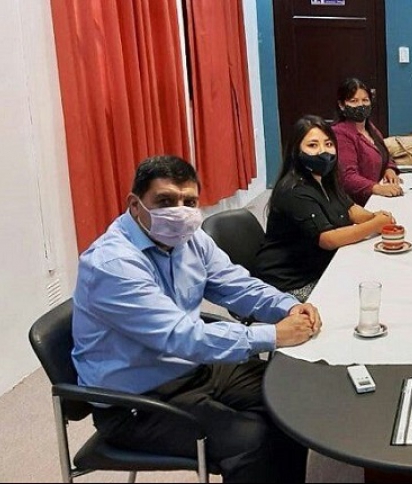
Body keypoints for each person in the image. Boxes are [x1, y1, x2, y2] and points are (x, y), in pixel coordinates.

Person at [72, 155, 321, 483]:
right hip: (137, 402)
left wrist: (287, 307)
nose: (179, 211)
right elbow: (180, 336)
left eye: (188, 202)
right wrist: (273, 335)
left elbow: (236, 285)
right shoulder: (113, 265)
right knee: (253, 441)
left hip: (192, 368)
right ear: (135, 204)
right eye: (165, 201)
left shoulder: (190, 239)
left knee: (292, 399)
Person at [255, 115, 397, 302]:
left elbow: (350, 209)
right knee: (355, 297)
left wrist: (374, 217)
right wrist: (374, 225)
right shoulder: (294, 190)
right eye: (312, 145)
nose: (323, 151)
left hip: (318, 267)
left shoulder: (326, 178)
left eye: (329, 144)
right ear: (296, 151)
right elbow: (328, 239)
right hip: (289, 283)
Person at [332, 77, 402, 206]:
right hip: (357, 205)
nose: (361, 105)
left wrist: (389, 169)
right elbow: (347, 178)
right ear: (341, 105)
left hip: (379, 198)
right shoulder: (340, 133)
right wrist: (376, 188)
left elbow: (384, 154)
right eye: (354, 101)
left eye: (365, 100)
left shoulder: (370, 128)